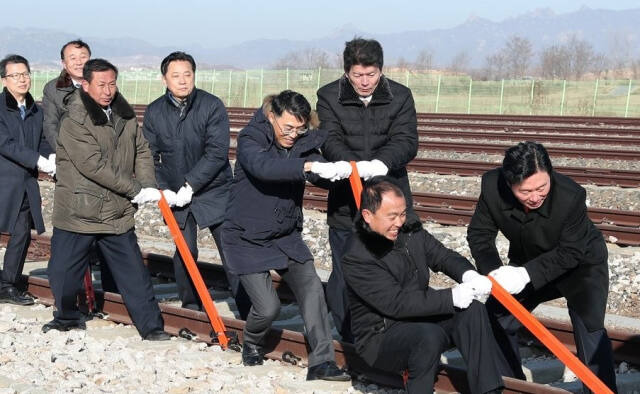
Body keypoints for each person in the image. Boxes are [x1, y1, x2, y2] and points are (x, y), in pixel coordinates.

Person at [221, 90, 351, 381]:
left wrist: (336, 172)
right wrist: (306, 167)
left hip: (285, 234)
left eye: (300, 128)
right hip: (246, 235)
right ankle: (252, 342)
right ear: (272, 117)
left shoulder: (302, 141)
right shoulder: (250, 138)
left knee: (313, 291)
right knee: (268, 307)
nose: (293, 134)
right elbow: (264, 168)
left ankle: (321, 362)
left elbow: (316, 168)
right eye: (287, 127)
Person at [467, 141, 617, 393]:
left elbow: (570, 252)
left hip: (581, 265)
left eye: (542, 187)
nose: (535, 197)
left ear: (550, 175)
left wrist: (525, 274)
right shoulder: (492, 186)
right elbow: (479, 233)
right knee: (497, 316)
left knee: (590, 329)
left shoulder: (571, 196)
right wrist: (494, 272)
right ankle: (512, 384)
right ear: (508, 182)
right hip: (529, 258)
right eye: (525, 191)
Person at [43, 59, 170, 341]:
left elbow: (142, 149)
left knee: (134, 274)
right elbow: (93, 165)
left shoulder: (124, 114)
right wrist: (134, 188)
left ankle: (151, 327)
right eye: (101, 84)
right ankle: (66, 317)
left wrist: (148, 184)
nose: (108, 90)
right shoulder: (74, 118)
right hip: (79, 210)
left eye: (112, 83)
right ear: (86, 85)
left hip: (117, 211)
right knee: (63, 275)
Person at [341, 176, 505, 394]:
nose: (399, 222)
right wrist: (451, 297)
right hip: (381, 337)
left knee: (472, 310)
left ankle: (488, 390)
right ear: (368, 216)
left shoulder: (409, 231)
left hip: (421, 317)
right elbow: (396, 303)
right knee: (428, 336)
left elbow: (442, 256)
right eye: (392, 216)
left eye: (402, 214)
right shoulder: (357, 255)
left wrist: (469, 275)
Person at [316, 37, 418, 341]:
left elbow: (407, 140)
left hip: (391, 200)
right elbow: (329, 138)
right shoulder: (328, 96)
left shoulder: (400, 96)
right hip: (347, 203)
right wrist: (351, 166)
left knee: (399, 270)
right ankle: (350, 338)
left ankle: (395, 335)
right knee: (345, 274)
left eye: (371, 75)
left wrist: (380, 164)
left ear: (381, 70)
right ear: (347, 71)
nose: (364, 82)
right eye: (357, 75)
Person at [142, 51, 250, 317]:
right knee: (185, 249)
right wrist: (162, 188)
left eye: (187, 74)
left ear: (194, 76)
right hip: (174, 193)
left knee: (232, 249)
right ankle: (191, 306)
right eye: (175, 75)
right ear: (164, 79)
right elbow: (147, 154)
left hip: (214, 189)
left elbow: (216, 152)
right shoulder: (155, 111)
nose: (182, 81)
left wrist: (191, 184)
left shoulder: (211, 106)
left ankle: (249, 310)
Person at [0, 55, 54, 305]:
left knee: (21, 234)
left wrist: (49, 157)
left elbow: (42, 141)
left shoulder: (35, 110)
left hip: (25, 184)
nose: (22, 79)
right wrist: (37, 161)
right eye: (15, 75)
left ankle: (8, 285)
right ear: (4, 80)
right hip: (3, 181)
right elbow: (5, 144)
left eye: (25, 74)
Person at [42, 39, 91, 149]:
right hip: (68, 152)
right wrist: (64, 153)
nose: (79, 62)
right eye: (73, 58)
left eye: (83, 57)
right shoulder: (53, 89)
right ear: (64, 63)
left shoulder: (105, 85)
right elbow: (50, 125)